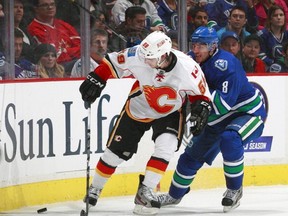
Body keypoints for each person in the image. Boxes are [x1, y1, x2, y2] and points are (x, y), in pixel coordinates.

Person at [79, 31, 212, 215]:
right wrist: (97, 78)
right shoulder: (139, 54)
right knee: (115, 154)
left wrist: (201, 109)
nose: (145, 61)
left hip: (171, 111)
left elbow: (201, 96)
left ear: (164, 56)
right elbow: (112, 62)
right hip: (139, 107)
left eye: (151, 59)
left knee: (166, 147)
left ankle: (145, 192)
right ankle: (95, 187)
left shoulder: (188, 67)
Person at [157, 27, 267, 213]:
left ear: (213, 46)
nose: (197, 49)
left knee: (230, 138)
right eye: (195, 45)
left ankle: (234, 190)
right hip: (217, 115)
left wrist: (198, 116)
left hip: (247, 111)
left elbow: (223, 104)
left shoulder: (226, 64)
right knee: (190, 157)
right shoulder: (190, 59)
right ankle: (175, 195)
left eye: (202, 45)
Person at [27, 0, 81, 64]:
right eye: (45, 5)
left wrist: (65, 51)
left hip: (75, 61)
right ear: (36, 9)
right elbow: (53, 55)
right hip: (56, 66)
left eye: (52, 4)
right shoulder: (34, 28)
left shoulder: (63, 24)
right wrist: (72, 52)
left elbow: (82, 48)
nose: (50, 7)